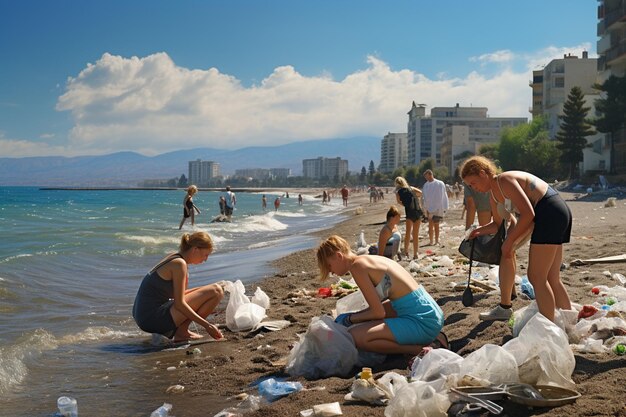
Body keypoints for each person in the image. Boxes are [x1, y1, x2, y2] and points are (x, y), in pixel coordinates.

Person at [461, 155, 573, 322]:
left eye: (473, 183)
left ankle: (548, 327)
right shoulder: (494, 194)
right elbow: (497, 224)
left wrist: (509, 241)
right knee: (551, 277)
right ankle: (570, 321)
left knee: (536, 277)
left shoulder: (504, 180)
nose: (473, 188)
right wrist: (477, 231)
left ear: (483, 173)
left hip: (549, 211)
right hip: (558, 211)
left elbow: (528, 213)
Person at [316, 235, 446, 355]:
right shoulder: (369, 259)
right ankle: (434, 336)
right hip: (430, 312)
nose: (331, 272)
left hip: (422, 322)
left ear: (339, 256)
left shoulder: (357, 267)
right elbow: (379, 307)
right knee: (369, 318)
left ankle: (419, 350)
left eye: (329, 266)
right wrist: (359, 317)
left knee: (356, 336)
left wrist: (349, 319)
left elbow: (378, 313)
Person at [132, 231, 224, 342]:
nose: (205, 259)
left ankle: (180, 331)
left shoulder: (175, 257)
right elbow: (180, 304)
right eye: (205, 255)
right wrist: (207, 326)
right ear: (195, 249)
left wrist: (204, 300)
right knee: (216, 291)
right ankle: (181, 332)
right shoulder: (179, 264)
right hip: (151, 318)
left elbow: (179, 295)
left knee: (215, 288)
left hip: (143, 316)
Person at [395, 176, 424, 260]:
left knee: (408, 233)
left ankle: (406, 252)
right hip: (417, 212)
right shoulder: (411, 188)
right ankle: (415, 254)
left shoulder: (398, 192)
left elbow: (398, 201)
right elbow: (420, 193)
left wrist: (405, 204)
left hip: (409, 213)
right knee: (415, 234)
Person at [422, 170, 449, 246]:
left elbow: (443, 195)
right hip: (429, 208)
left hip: (438, 208)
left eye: (426, 176)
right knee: (430, 225)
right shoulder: (426, 185)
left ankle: (437, 240)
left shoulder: (440, 183)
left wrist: (444, 207)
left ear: (430, 175)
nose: (426, 178)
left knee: (436, 225)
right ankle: (431, 241)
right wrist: (425, 208)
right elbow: (424, 197)